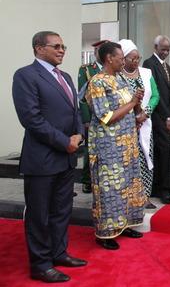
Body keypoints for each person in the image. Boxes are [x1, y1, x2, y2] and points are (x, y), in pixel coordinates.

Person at [12, 31, 87, 283]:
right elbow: (31, 119)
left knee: (61, 211)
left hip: (67, 158)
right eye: (56, 46)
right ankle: (41, 264)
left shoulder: (65, 76)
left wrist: (78, 134)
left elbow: (75, 111)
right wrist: (64, 141)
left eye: (63, 46)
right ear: (38, 48)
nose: (62, 50)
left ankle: (58, 253)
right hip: (43, 158)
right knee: (39, 215)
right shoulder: (25, 76)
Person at [86, 42, 146, 250]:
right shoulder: (97, 82)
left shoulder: (120, 77)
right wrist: (131, 104)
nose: (124, 60)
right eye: (120, 57)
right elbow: (106, 116)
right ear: (109, 58)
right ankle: (106, 233)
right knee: (110, 188)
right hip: (108, 146)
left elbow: (128, 106)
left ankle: (125, 224)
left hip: (127, 145)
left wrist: (136, 103)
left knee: (127, 185)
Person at [119, 39, 159, 209]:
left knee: (145, 158)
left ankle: (145, 197)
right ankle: (128, 197)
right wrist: (132, 116)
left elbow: (156, 96)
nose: (136, 61)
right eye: (132, 58)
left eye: (138, 58)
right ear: (123, 59)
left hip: (144, 124)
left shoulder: (146, 73)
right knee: (128, 161)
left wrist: (145, 113)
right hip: (124, 125)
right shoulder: (116, 75)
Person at [143, 35, 170, 204]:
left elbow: (168, 94)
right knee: (165, 152)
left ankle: (157, 188)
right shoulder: (149, 64)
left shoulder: (166, 66)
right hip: (157, 116)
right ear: (155, 47)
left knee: (161, 152)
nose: (166, 52)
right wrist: (167, 116)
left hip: (166, 116)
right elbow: (156, 94)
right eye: (163, 49)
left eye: (168, 49)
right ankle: (165, 191)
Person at [77, 39, 107, 194]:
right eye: (99, 51)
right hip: (93, 118)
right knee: (90, 150)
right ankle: (87, 180)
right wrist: (86, 120)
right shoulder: (87, 70)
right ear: (95, 53)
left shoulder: (114, 69)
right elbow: (81, 98)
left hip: (110, 118)